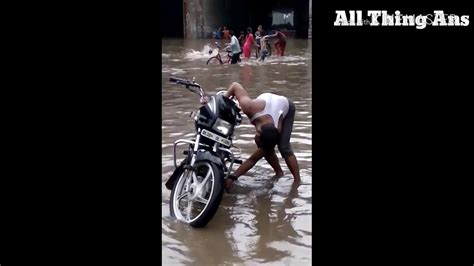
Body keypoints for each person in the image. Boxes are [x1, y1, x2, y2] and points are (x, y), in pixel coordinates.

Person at [202, 82, 301, 191]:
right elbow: (235, 85)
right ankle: (279, 172)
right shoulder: (249, 106)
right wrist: (219, 101)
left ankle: (297, 181)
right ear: (258, 132)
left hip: (287, 109)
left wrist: (233, 177)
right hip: (269, 106)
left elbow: (253, 159)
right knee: (265, 148)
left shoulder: (277, 129)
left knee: (284, 147)